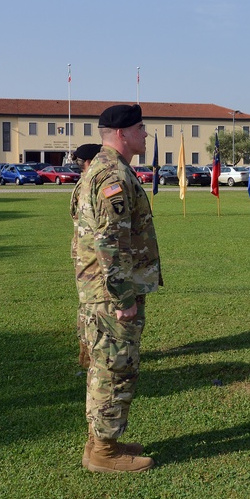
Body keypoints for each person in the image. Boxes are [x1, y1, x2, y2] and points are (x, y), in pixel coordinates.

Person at [75, 104, 159, 472]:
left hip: (100, 290)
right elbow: (110, 240)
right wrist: (123, 296)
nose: (146, 134)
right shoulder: (112, 175)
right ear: (122, 134)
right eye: (141, 128)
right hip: (111, 294)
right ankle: (104, 453)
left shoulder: (104, 168)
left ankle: (100, 440)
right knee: (114, 367)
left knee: (104, 365)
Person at [70, 142, 102, 369]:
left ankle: (86, 352)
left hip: (83, 252)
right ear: (90, 162)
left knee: (86, 306)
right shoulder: (88, 184)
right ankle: (89, 353)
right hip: (90, 255)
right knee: (91, 307)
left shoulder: (84, 182)